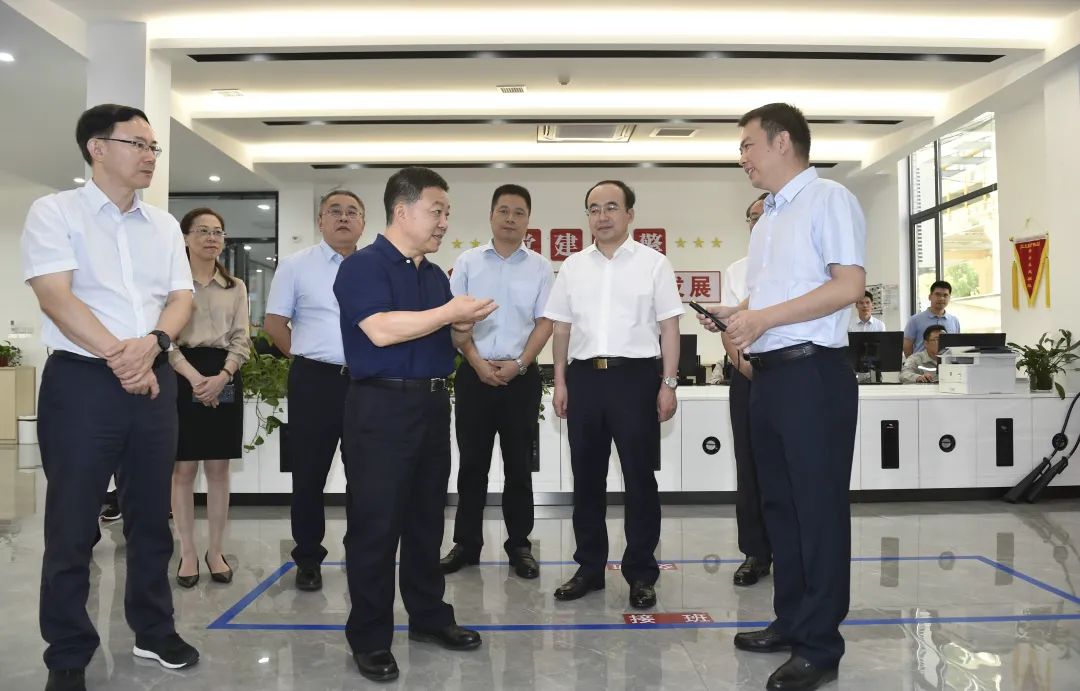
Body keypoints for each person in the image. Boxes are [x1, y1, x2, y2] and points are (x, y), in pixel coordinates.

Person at [21, 104, 200, 691]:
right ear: (97, 149)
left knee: (151, 519)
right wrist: (121, 358)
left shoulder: (164, 226)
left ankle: (153, 631)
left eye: (153, 147)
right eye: (138, 144)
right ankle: (68, 650)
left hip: (152, 379)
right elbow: (56, 296)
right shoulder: (54, 212)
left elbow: (181, 298)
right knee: (73, 525)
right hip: (81, 384)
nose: (150, 156)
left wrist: (153, 344)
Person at [699, 103, 865, 691]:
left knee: (816, 511)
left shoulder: (828, 199)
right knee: (779, 507)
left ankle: (820, 647)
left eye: (747, 145)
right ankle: (792, 620)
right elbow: (773, 299)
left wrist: (763, 318)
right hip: (767, 377)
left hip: (812, 374)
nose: (742, 157)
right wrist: (737, 313)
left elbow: (848, 285)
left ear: (782, 142)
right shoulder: (769, 217)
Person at [333, 167, 497, 682]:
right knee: (376, 526)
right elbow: (381, 331)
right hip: (380, 408)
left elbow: (440, 340)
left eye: (447, 212)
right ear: (402, 211)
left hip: (431, 404)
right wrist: (447, 313)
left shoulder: (433, 276)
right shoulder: (363, 267)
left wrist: (459, 327)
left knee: (426, 521)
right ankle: (370, 637)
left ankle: (429, 617)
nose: (444, 221)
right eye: (436, 211)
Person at [543, 180, 684, 611]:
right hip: (584, 379)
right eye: (593, 209)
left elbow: (669, 327)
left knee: (639, 479)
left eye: (610, 207)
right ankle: (589, 568)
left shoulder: (654, 263)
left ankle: (641, 573)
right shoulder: (572, 266)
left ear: (629, 214)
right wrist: (560, 381)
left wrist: (668, 382)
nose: (601, 216)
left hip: (635, 378)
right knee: (586, 479)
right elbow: (561, 328)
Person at [441, 184, 554, 579]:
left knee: (519, 466)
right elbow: (453, 318)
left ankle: (519, 545)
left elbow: (545, 322)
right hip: (474, 375)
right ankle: (466, 544)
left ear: (528, 220)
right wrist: (476, 362)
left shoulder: (540, 267)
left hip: (520, 378)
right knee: (472, 464)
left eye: (519, 212)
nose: (510, 218)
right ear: (491, 216)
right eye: (503, 210)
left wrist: (521, 364)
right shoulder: (468, 262)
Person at [264, 189, 365, 592]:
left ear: (363, 223)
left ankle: (361, 553)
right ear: (320, 221)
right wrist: (306, 357)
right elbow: (274, 324)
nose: (343, 218)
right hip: (314, 382)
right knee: (308, 474)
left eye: (352, 212)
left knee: (365, 475)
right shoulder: (296, 265)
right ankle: (308, 558)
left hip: (365, 383)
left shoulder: (375, 267)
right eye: (334, 211)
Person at [169, 207, 252, 587]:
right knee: (183, 470)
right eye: (202, 231)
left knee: (219, 469)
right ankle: (188, 552)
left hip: (224, 372)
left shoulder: (235, 286)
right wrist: (193, 378)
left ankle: (215, 551)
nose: (211, 238)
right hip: (180, 371)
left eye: (217, 231)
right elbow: (163, 337)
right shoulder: (173, 285)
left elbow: (241, 338)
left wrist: (222, 377)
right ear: (186, 238)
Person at [722, 192, 772, 588]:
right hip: (747, 374)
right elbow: (728, 328)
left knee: (790, 466)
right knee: (750, 465)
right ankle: (755, 552)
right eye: (752, 217)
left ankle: (791, 549)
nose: (758, 222)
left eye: (765, 214)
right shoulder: (736, 270)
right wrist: (746, 368)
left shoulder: (799, 265)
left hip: (790, 374)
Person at [903, 280, 959, 356]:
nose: (941, 298)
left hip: (946, 362)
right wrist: (913, 362)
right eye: (937, 294)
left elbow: (956, 346)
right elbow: (907, 345)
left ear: (949, 298)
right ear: (930, 297)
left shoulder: (954, 321)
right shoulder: (915, 320)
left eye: (945, 295)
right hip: (921, 362)